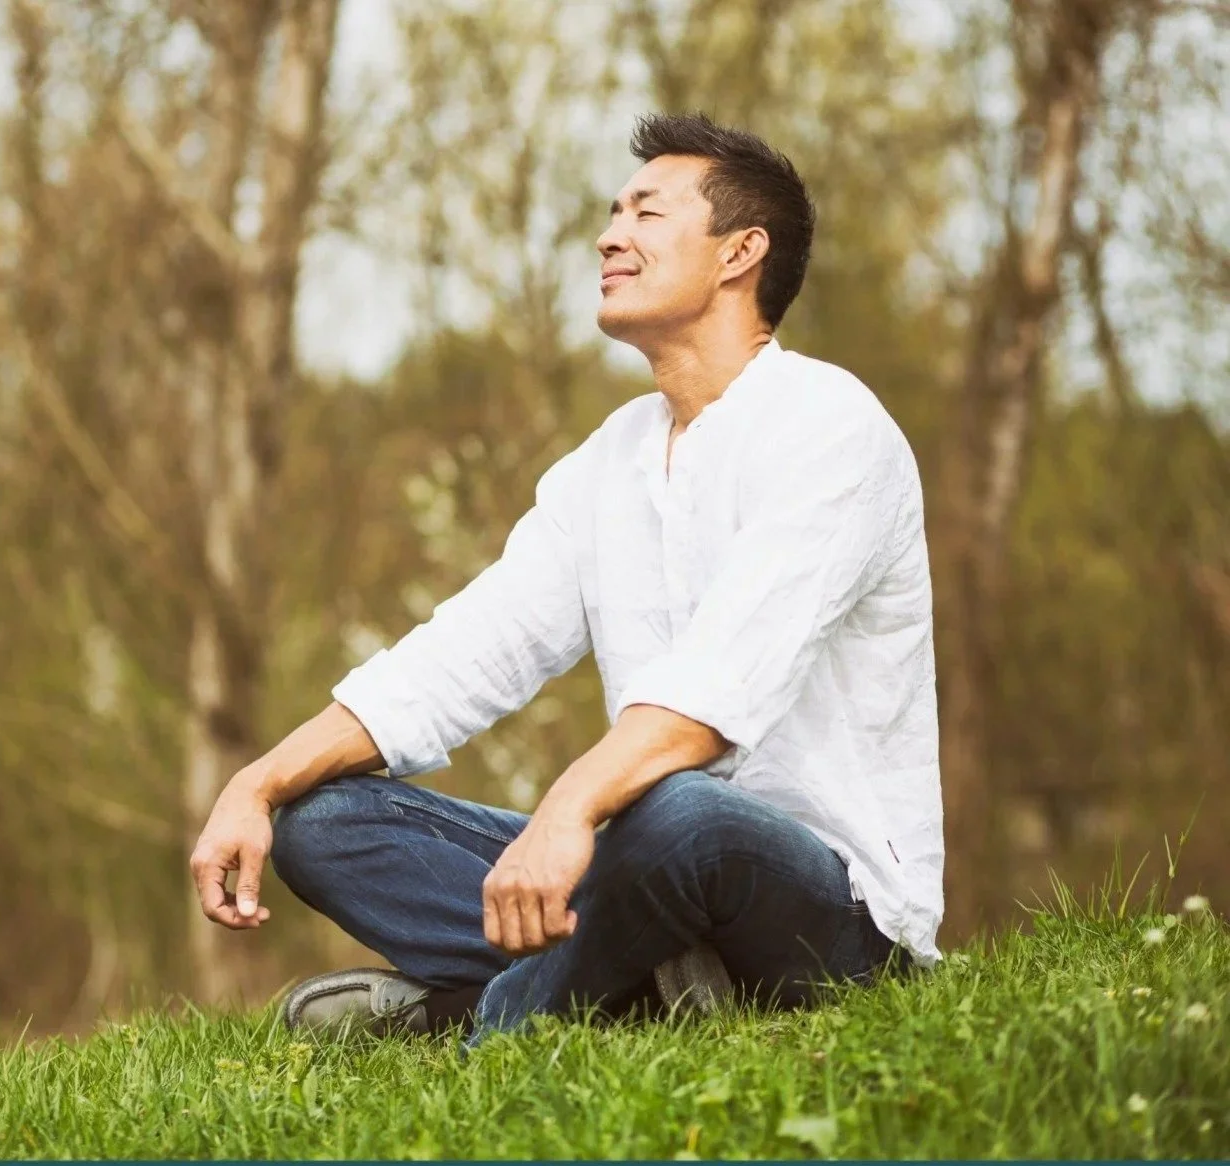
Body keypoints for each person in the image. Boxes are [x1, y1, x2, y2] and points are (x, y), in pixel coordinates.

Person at [189, 111, 943, 1049]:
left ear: (740, 253)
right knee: (325, 819)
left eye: (647, 213)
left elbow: (711, 700)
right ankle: (641, 991)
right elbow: (462, 656)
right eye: (613, 210)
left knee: (683, 811)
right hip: (641, 868)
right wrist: (256, 786)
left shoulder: (830, 426)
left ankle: (482, 1027)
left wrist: (568, 810)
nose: (608, 234)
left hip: (830, 918)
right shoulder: (610, 462)